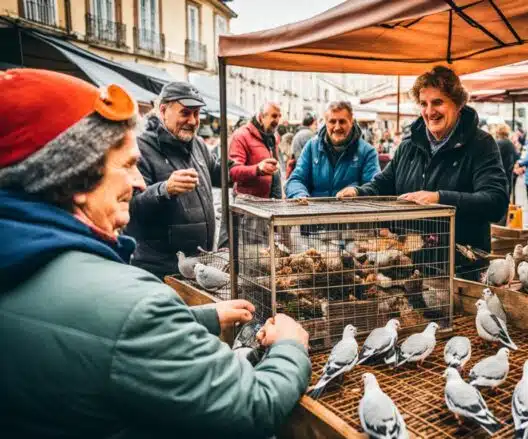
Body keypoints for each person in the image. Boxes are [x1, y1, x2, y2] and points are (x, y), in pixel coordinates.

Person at [0, 69, 310, 437]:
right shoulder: (132, 303)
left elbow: (90, 337)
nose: (137, 181)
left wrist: (199, 319)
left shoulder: (20, 263)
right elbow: (251, 407)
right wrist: (291, 347)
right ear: (76, 177)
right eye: (128, 164)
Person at [336, 65, 507, 257]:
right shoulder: (409, 145)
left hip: (462, 264)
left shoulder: (481, 144)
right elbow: (384, 184)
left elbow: (495, 202)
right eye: (424, 104)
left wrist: (439, 198)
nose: (430, 111)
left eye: (438, 102)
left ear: (458, 104)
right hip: (411, 262)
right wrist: (359, 192)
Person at [126, 81, 222, 279]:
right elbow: (130, 207)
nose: (193, 121)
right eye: (185, 113)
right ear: (163, 110)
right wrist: (164, 189)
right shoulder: (140, 147)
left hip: (197, 266)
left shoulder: (198, 145)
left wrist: (253, 170)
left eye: (196, 114)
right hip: (158, 269)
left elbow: (219, 174)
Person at [286, 101, 379, 199]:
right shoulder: (312, 147)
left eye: (342, 121)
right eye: (332, 121)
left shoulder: (367, 152)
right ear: (326, 123)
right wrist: (300, 195)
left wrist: (357, 192)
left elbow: (374, 186)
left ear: (351, 122)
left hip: (350, 212)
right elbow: (295, 180)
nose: (337, 127)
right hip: (315, 212)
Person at [229, 102, 283, 199]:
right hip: (249, 205)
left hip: (272, 201)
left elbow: (276, 168)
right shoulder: (241, 135)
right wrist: (258, 169)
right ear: (261, 117)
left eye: (279, 116)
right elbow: (233, 172)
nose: (278, 120)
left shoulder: (273, 135)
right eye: (274, 116)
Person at [494, 123, 519, 207]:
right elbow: (516, 158)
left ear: (498, 132)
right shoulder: (510, 144)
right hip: (508, 176)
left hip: (498, 176)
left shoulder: (497, 143)